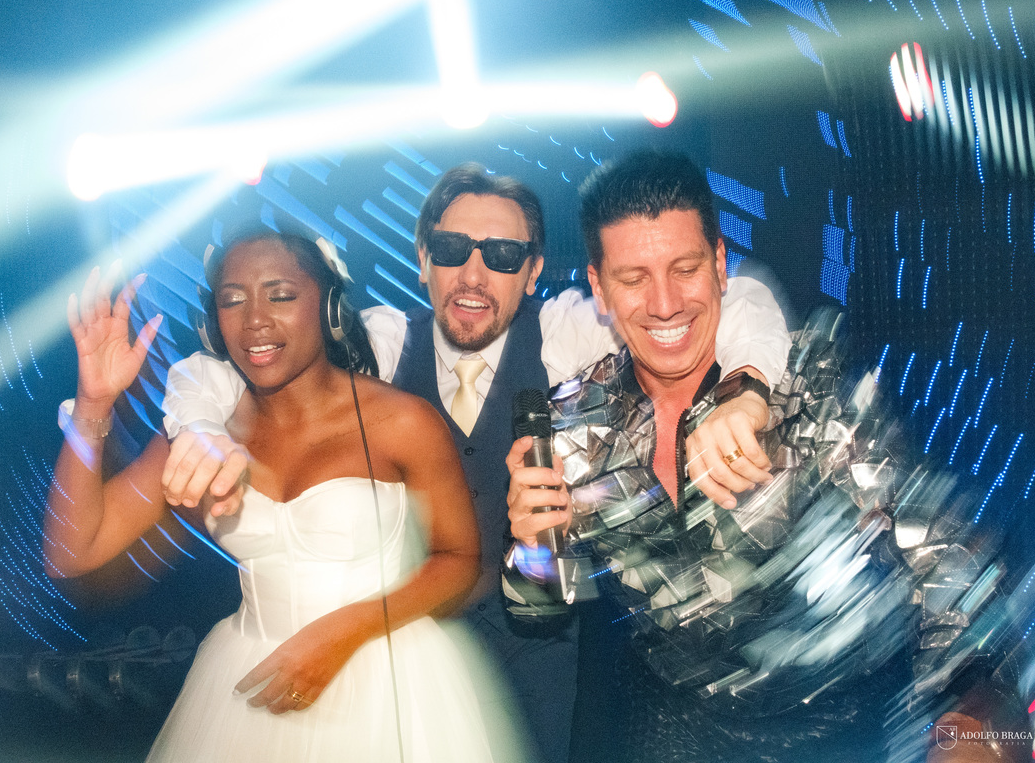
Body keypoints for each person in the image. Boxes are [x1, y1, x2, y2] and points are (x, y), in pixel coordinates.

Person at [159, 164, 792, 763]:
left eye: (503, 255)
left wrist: (744, 392)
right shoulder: (382, 342)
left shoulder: (569, 333)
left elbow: (735, 297)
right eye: (452, 249)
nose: (473, 274)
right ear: (423, 258)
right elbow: (224, 367)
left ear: (533, 270)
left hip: (545, 664)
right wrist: (199, 430)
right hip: (394, 672)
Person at [504, 149, 1031, 762]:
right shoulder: (577, 422)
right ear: (598, 288)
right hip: (678, 736)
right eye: (633, 279)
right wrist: (533, 547)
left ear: (719, 264)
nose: (665, 303)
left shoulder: (808, 385)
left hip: (845, 735)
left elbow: (944, 554)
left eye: (685, 269)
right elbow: (540, 612)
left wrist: (970, 716)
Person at [43, 231, 502, 763]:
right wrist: (94, 404)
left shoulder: (402, 422)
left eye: (280, 295)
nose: (255, 320)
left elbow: (459, 561)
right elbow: (73, 554)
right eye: (232, 300)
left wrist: (344, 632)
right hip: (251, 685)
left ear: (329, 307)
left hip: (390, 684)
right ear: (212, 323)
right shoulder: (201, 437)